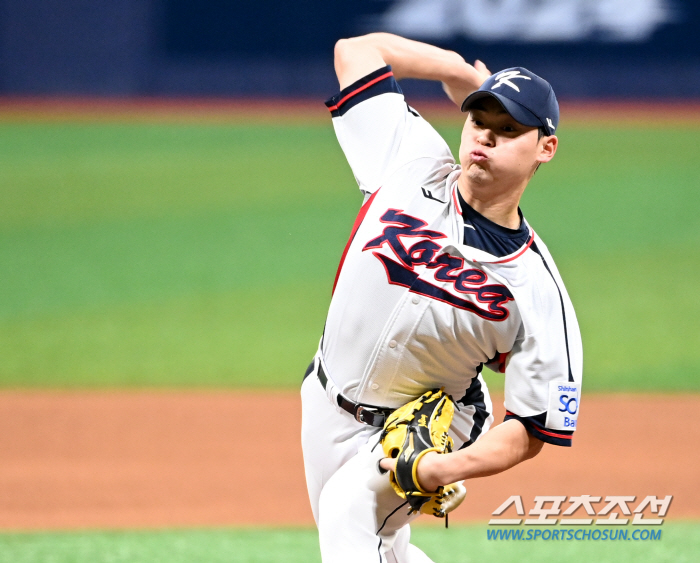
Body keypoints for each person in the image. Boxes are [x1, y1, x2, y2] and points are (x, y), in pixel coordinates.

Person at [300, 32, 582, 563]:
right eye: (479, 120)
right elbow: (355, 52)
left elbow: (534, 425)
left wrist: (445, 467)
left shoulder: (534, 288)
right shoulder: (410, 161)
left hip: (426, 427)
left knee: (349, 513)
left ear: (546, 148)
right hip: (324, 397)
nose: (485, 137)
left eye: (509, 129)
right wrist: (459, 71)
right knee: (380, 546)